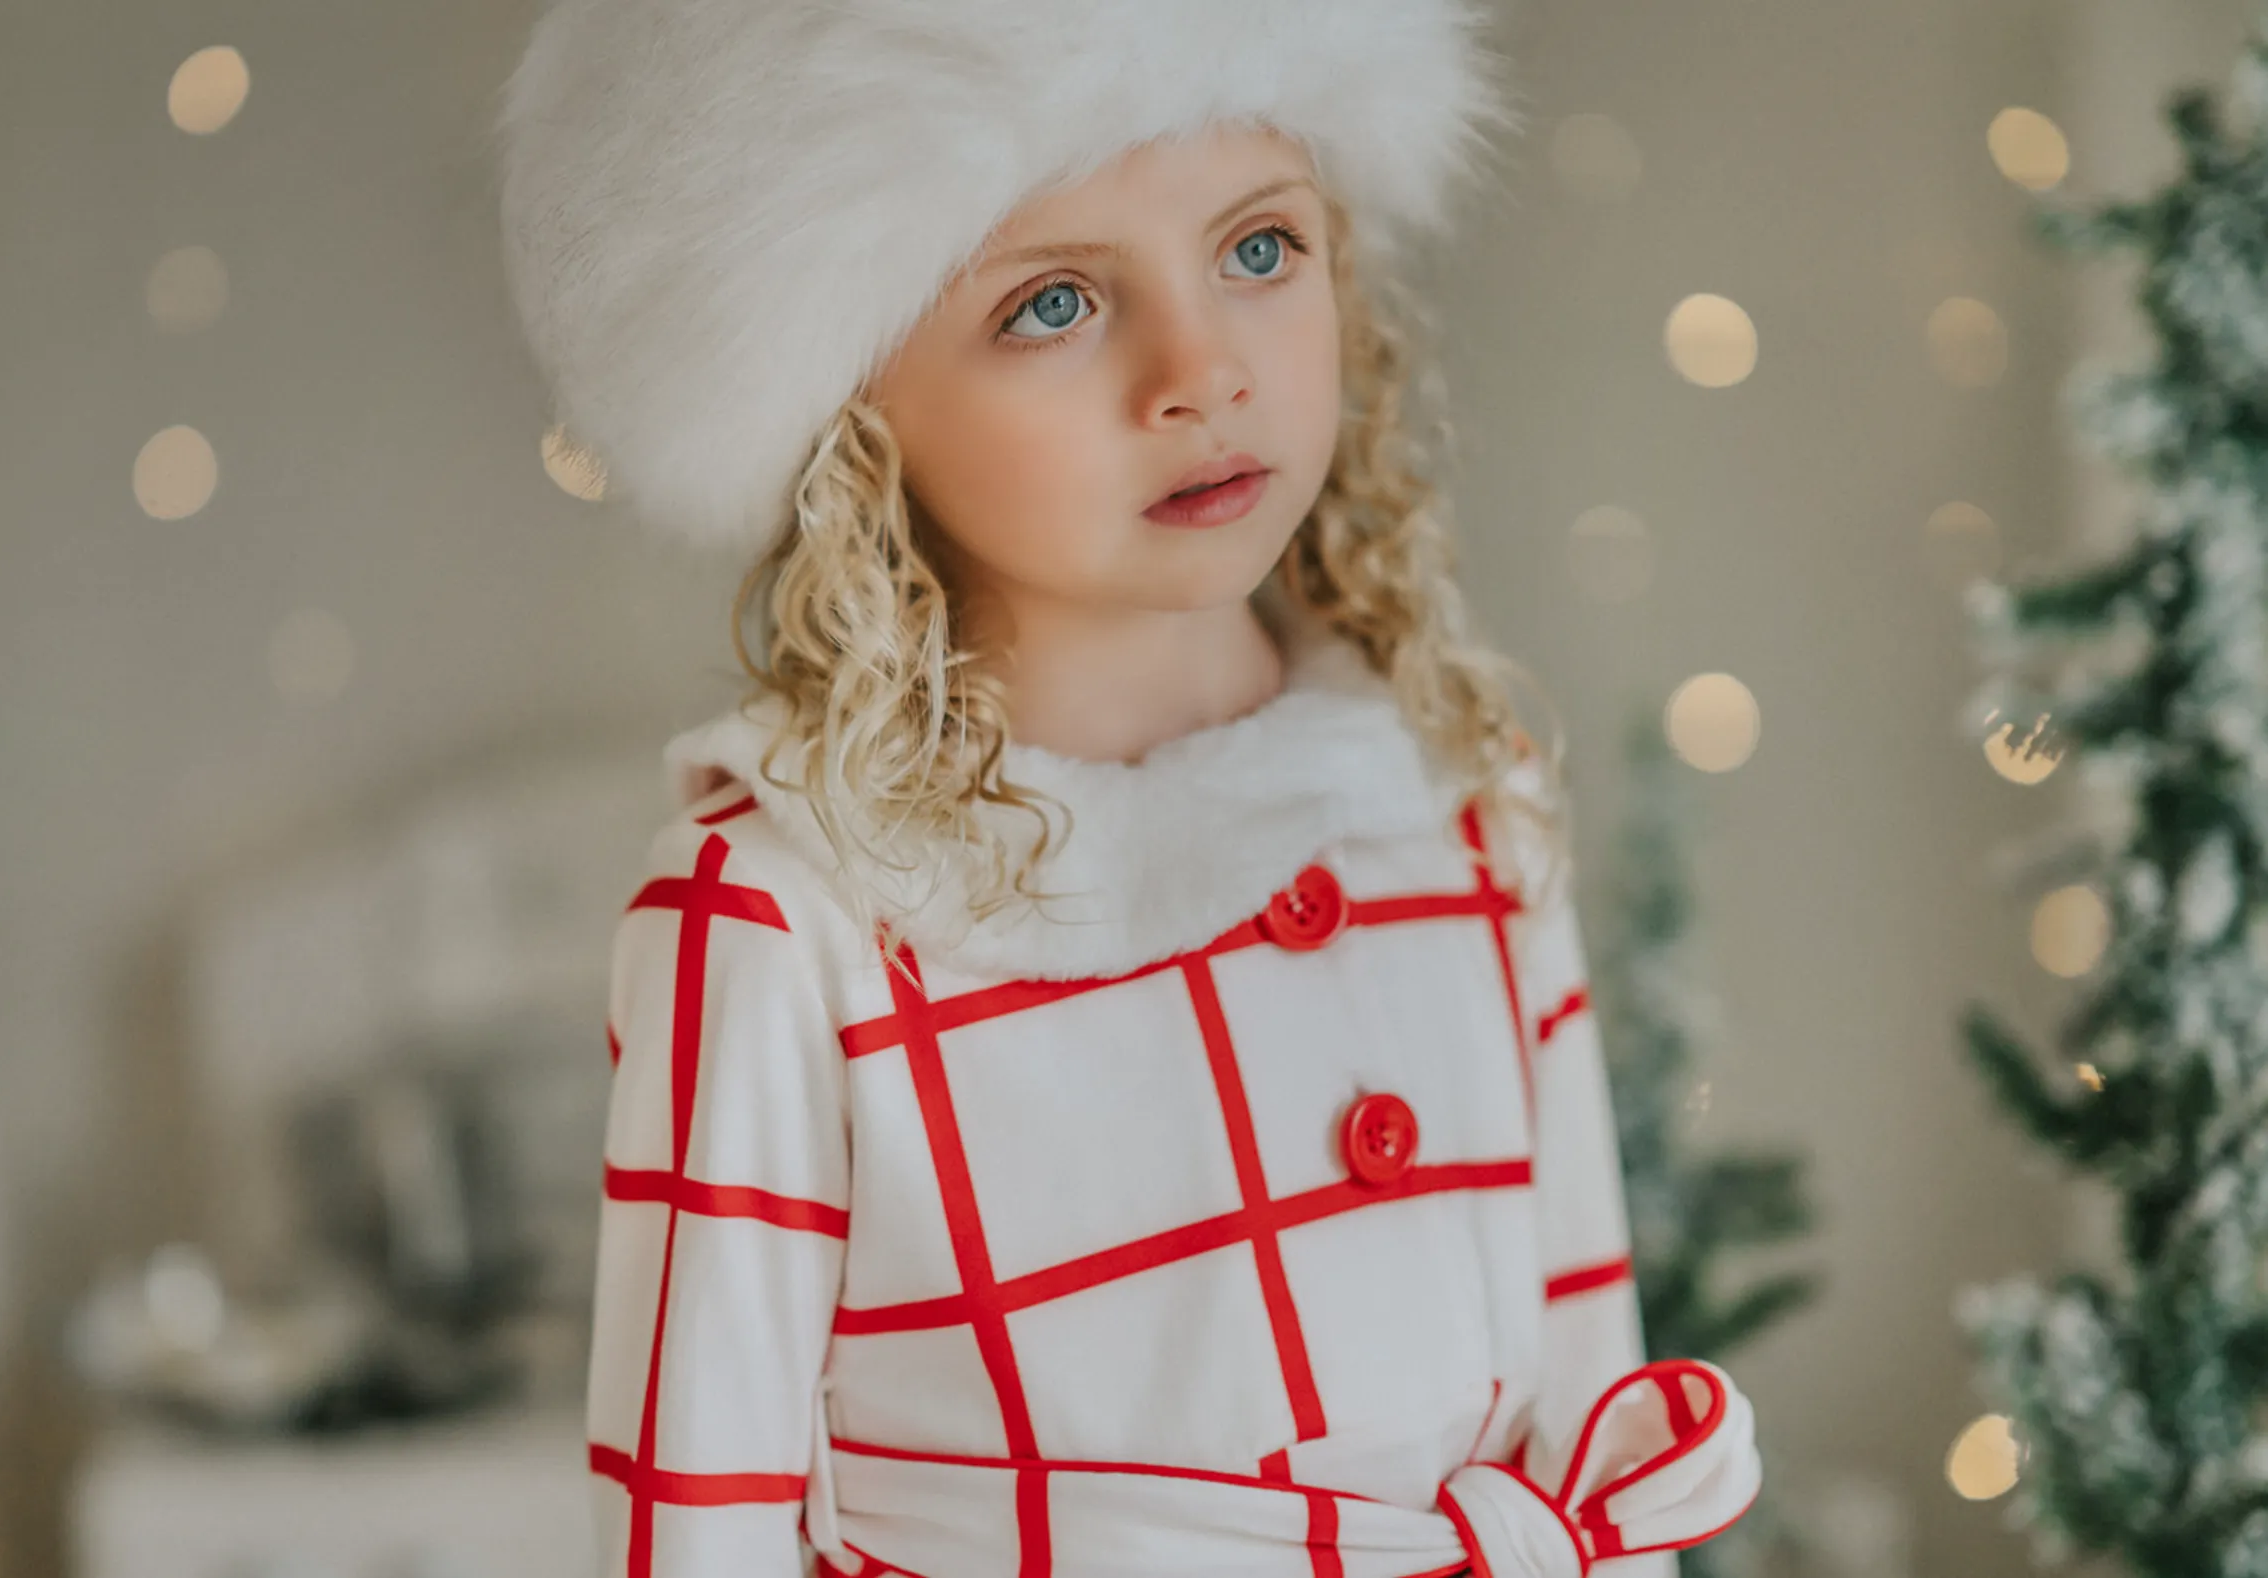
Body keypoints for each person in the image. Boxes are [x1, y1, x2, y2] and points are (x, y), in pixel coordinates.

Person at [494, 2, 1763, 1574]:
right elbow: (696, 1533)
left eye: (1255, 250)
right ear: (846, 407)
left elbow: (1592, 1406)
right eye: (1051, 303)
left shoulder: (1458, 800)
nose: (1198, 372)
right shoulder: (779, 918)